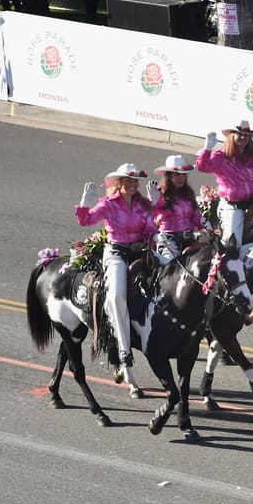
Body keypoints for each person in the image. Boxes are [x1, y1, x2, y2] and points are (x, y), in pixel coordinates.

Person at [76, 163, 156, 388]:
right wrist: (85, 203)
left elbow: (151, 228)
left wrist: (156, 212)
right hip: (117, 254)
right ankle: (124, 351)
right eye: (127, 181)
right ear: (119, 183)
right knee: (117, 295)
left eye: (134, 182)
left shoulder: (142, 204)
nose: (132, 185)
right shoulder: (108, 204)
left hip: (140, 251)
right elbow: (85, 220)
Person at [196, 119, 253, 293]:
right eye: (240, 134)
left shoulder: (252, 158)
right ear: (231, 136)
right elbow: (203, 166)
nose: (243, 138)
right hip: (233, 207)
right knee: (233, 244)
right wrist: (206, 150)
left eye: (246, 135)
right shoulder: (221, 156)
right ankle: (228, 278)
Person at [151, 154, 203, 261]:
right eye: (177, 174)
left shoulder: (188, 193)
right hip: (168, 241)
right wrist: (152, 203)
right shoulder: (158, 194)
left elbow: (196, 215)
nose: (181, 178)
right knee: (168, 264)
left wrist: (204, 227)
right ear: (169, 176)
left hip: (190, 239)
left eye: (184, 175)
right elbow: (149, 216)